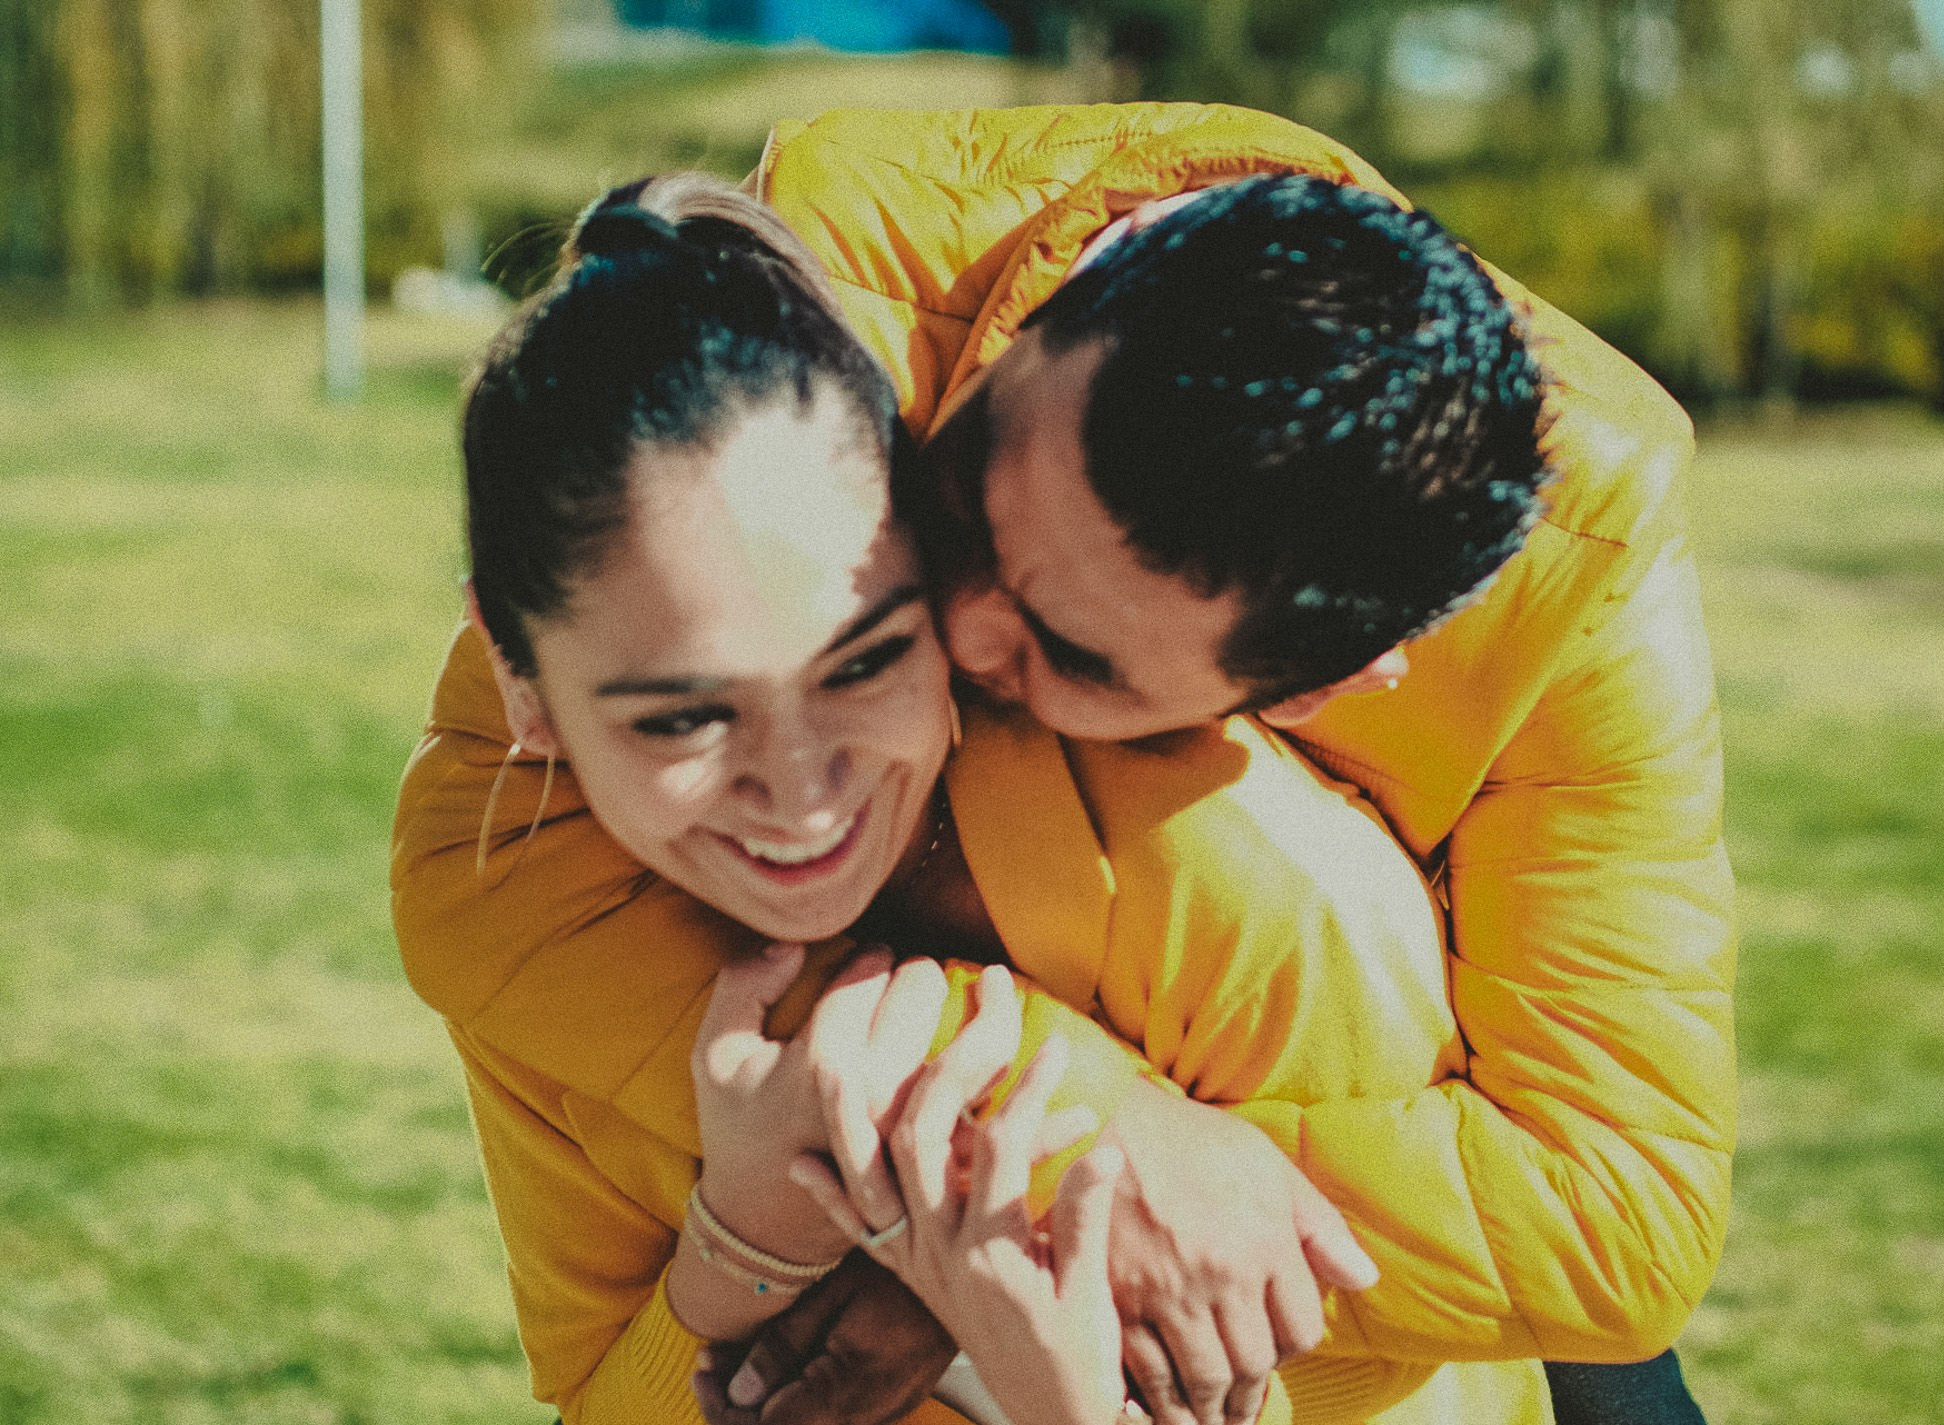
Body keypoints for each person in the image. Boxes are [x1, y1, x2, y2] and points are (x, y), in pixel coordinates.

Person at [410, 169, 1556, 1425]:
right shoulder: (548, 916)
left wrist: (1046, 1356)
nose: (797, 793)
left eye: (866, 660)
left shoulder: (1250, 907)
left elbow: (1389, 1380)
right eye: (682, 715)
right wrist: (747, 1238)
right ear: (522, 682)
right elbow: (598, 1398)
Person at [743, 106, 1734, 1425]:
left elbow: (1614, 1212)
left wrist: (1042, 1210)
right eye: (970, 477)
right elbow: (513, 847)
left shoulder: (1590, 555)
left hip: (1362, 1114)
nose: (968, 624)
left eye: (1078, 655)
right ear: (1099, 270)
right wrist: (1055, 1144)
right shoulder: (815, 269)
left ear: (1323, 692)